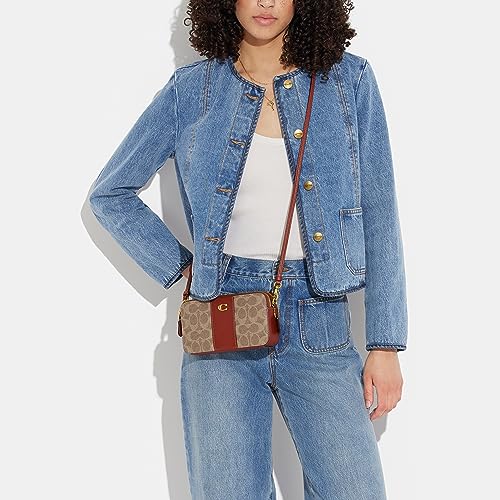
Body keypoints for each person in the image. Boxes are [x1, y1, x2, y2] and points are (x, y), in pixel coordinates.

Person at [88, 0, 408, 498]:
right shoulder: (193, 90)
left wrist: (385, 345)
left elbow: (380, 213)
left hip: (320, 319)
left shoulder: (348, 82)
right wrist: (182, 267)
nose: (266, 2)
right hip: (222, 320)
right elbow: (110, 194)